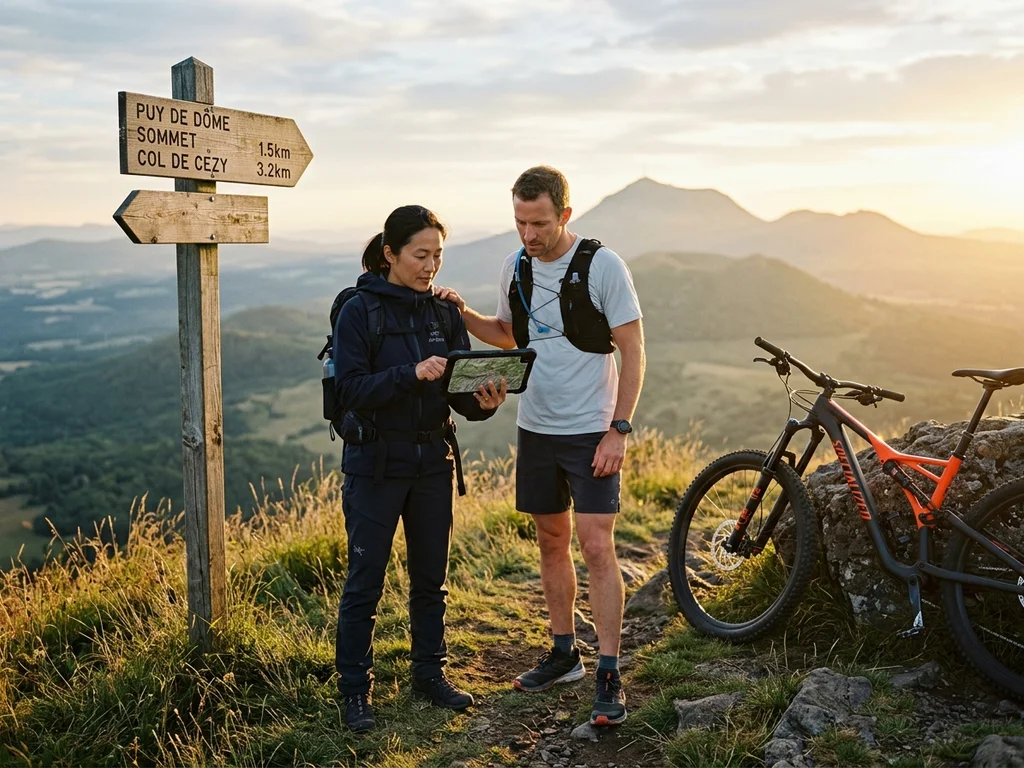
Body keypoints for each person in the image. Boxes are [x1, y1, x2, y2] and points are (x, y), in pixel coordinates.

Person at [435, 166, 646, 726]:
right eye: (520, 222)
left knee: (596, 545)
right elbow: (510, 334)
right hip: (537, 429)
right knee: (551, 540)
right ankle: (563, 652)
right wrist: (463, 315)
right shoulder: (516, 265)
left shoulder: (603, 265)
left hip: (592, 429)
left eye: (540, 223)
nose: (528, 234)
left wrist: (618, 430)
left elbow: (633, 350)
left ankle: (608, 669)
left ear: (566, 215)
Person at [333, 205, 507, 732]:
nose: (431, 265)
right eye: (420, 255)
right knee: (365, 581)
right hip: (375, 465)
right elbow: (347, 389)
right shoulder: (359, 311)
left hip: (433, 461)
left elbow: (460, 396)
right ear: (390, 254)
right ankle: (355, 693)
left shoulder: (444, 313)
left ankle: (429, 676)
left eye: (437, 255)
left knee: (431, 579)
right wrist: (409, 373)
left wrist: (487, 402)